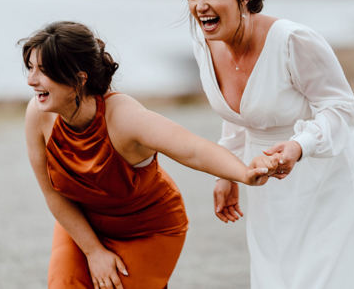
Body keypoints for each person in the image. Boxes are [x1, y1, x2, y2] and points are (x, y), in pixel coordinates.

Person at [20, 21, 277, 289]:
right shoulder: (38, 116)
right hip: (82, 224)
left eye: (44, 71)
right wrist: (93, 251)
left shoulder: (123, 117)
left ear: (79, 78)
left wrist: (245, 172)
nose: (31, 80)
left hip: (146, 229)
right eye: (30, 68)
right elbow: (53, 194)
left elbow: (192, 149)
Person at [183, 0, 354, 289]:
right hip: (265, 174)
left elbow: (341, 109)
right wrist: (227, 169)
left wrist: (298, 146)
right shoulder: (204, 43)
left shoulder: (293, 41)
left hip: (325, 165)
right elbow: (239, 111)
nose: (200, 6)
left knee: (324, 277)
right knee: (276, 275)